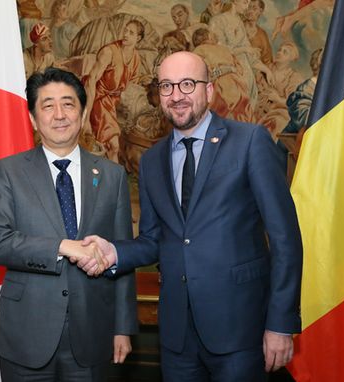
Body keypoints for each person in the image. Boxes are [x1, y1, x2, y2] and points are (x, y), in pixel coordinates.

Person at [73, 52, 303, 381]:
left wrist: (281, 322)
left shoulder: (249, 142)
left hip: (240, 329)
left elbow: (285, 238)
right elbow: (154, 240)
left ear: (208, 91)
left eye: (187, 84)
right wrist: (114, 252)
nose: (177, 95)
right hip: (177, 337)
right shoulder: (152, 161)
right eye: (167, 86)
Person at [0, 67, 138, 381]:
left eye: (68, 104)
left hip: (94, 334)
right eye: (47, 105)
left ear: (82, 112)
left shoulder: (111, 175)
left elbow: (123, 254)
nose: (59, 114)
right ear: (33, 119)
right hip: (26, 335)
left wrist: (123, 327)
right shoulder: (9, 171)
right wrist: (62, 247)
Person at [83, 19, 144, 163]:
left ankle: (112, 181)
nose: (126, 34)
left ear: (138, 38)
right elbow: (91, 81)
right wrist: (86, 117)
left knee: (112, 147)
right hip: (96, 97)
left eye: (131, 32)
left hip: (112, 103)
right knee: (113, 145)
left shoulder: (136, 58)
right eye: (125, 30)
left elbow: (130, 87)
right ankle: (112, 180)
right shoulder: (108, 52)